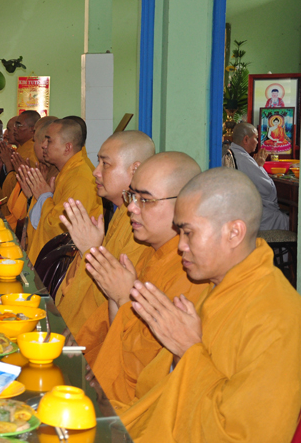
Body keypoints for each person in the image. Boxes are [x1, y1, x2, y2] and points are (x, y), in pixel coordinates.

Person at [119, 167, 301, 442]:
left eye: (188, 233)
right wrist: (180, 354)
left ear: (234, 233)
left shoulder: (279, 318)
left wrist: (188, 352)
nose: (180, 246)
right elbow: (155, 387)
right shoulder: (218, 286)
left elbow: (244, 435)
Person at [76, 152, 210, 407]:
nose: (132, 208)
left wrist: (123, 298)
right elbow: (118, 333)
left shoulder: (192, 273)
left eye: (146, 200)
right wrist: (118, 298)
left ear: (185, 205)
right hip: (107, 380)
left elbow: (148, 372)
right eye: (132, 197)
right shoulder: (151, 251)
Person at [55, 130, 155, 335]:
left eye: (105, 164)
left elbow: (117, 295)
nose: (96, 172)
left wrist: (91, 250)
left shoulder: (142, 225)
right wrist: (89, 250)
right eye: (98, 162)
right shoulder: (121, 213)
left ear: (135, 169)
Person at [20, 118, 102, 263]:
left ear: (67, 147)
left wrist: (44, 197)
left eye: (49, 140)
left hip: (71, 264)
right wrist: (40, 197)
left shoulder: (79, 179)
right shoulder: (67, 172)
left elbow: (59, 229)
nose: (43, 145)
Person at [228, 123, 289, 230]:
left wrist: (256, 166)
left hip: (237, 207)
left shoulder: (231, 152)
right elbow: (267, 189)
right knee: (285, 219)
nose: (257, 142)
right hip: (245, 212)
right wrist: (259, 166)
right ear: (246, 139)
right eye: (256, 138)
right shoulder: (243, 159)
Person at [4, 116, 58, 231]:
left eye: (34, 140)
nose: (43, 146)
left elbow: (53, 223)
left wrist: (11, 168)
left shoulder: (62, 174)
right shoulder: (46, 168)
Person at [0, 112, 40, 220]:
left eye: (18, 125)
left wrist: (7, 164)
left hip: (18, 215)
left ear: (32, 130)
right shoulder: (22, 150)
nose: (15, 129)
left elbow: (15, 189)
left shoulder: (30, 153)